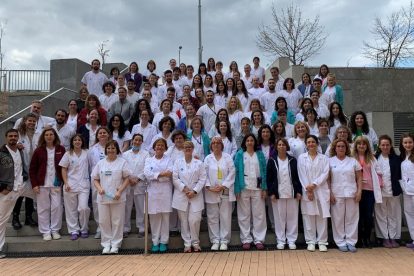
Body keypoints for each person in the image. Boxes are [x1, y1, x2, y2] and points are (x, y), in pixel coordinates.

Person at [0, 129, 37, 259]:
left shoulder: (20, 150)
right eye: (10, 136)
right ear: (6, 137)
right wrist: (2, 188)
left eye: (15, 136)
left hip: (22, 186)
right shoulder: (1, 153)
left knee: (41, 195)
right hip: (8, 190)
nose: (13, 138)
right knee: (1, 221)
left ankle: (49, 229)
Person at [92, 140, 131, 254]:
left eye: (113, 148)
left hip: (117, 197)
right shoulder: (101, 163)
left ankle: (115, 244)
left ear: (117, 150)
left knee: (117, 221)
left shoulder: (122, 162)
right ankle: (106, 244)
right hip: (103, 197)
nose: (110, 150)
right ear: (105, 150)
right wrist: (99, 188)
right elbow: (95, 179)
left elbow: (127, 178)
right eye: (108, 148)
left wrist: (120, 191)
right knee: (104, 221)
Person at [29, 128, 65, 241]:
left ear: (55, 136)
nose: (49, 136)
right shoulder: (38, 150)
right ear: (43, 137)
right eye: (47, 135)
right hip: (42, 184)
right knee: (43, 208)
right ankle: (45, 232)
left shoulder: (61, 149)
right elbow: (32, 168)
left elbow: (65, 166)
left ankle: (55, 230)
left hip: (56, 183)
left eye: (51, 134)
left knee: (57, 207)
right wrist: (34, 184)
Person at [268, 138, 302, 250]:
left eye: (283, 144)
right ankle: (281, 240)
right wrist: (271, 192)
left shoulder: (293, 160)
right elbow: (269, 177)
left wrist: (298, 191)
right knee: (279, 217)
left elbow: (297, 176)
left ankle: (292, 240)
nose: (281, 146)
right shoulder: (272, 160)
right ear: (276, 147)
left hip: (291, 191)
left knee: (292, 216)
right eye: (279, 145)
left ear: (287, 146)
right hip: (278, 192)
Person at [328, 139, 362, 252]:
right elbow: (328, 179)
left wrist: (359, 192)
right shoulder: (330, 161)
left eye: (343, 146)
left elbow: (359, 178)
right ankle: (340, 241)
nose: (341, 148)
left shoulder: (353, 161)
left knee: (352, 217)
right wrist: (330, 193)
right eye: (338, 146)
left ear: (347, 148)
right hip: (336, 193)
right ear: (335, 148)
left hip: (352, 193)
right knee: (338, 218)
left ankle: (351, 241)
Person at [234, 134, 267, 250]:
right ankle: (246, 239)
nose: (249, 142)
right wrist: (237, 189)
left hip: (258, 187)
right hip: (244, 188)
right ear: (244, 142)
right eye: (247, 140)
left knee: (259, 214)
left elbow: (264, 171)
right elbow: (236, 172)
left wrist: (265, 188)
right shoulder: (240, 154)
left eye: (252, 140)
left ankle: (258, 239)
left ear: (255, 142)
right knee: (244, 215)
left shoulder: (260, 154)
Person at [298, 135, 330, 252]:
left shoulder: (324, 158)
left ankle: (322, 241)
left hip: (321, 189)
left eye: (313, 142)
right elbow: (302, 174)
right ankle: (310, 241)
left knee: (322, 216)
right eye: (308, 142)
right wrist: (309, 190)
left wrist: (315, 184)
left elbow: (325, 173)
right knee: (308, 216)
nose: (311, 144)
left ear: (317, 144)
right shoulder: (302, 158)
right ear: (306, 145)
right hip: (307, 190)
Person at [172, 141, 206, 252]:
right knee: (184, 220)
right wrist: (185, 189)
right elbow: (175, 178)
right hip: (182, 194)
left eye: (189, 147)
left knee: (194, 219)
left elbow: (202, 178)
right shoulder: (178, 162)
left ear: (193, 149)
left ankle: (195, 243)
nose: (187, 149)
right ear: (182, 149)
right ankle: (187, 244)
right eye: (185, 147)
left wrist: (194, 191)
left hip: (195, 195)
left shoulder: (199, 163)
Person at [204, 137, 236, 251]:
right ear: (211, 146)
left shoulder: (227, 157)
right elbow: (204, 174)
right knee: (212, 216)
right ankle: (215, 240)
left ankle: (224, 241)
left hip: (225, 190)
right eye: (213, 143)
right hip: (211, 191)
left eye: (218, 143)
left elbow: (232, 172)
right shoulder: (208, 158)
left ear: (222, 145)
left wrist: (223, 185)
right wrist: (209, 187)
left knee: (225, 216)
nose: (216, 145)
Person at [352, 136, 383, 249]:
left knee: (368, 216)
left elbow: (378, 172)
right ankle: (359, 239)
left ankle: (367, 238)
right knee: (357, 216)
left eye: (363, 144)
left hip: (369, 190)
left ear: (367, 146)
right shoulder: (352, 158)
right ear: (356, 146)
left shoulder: (372, 158)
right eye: (359, 144)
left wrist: (380, 184)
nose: (361, 146)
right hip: (357, 190)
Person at [144, 138, 173, 252]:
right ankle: (155, 242)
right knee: (154, 218)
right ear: (154, 147)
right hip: (153, 192)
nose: (160, 147)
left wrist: (155, 176)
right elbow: (147, 174)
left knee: (165, 218)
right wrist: (161, 174)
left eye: (162, 145)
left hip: (165, 191)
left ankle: (164, 242)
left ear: (165, 148)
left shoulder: (169, 160)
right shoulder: (149, 160)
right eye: (158, 145)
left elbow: (169, 174)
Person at [59, 134, 90, 240]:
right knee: (70, 210)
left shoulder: (87, 153)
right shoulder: (68, 154)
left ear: (82, 141)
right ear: (72, 142)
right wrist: (66, 183)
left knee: (83, 208)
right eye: (75, 140)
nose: (77, 141)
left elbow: (92, 165)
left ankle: (84, 229)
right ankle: (74, 230)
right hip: (70, 185)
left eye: (79, 140)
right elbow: (63, 169)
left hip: (84, 185)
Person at [12, 113, 41, 230]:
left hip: (34, 168)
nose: (32, 123)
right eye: (30, 121)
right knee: (19, 194)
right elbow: (9, 146)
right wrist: (16, 145)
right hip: (21, 168)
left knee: (31, 193)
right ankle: (15, 218)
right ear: (24, 121)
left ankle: (29, 217)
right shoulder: (18, 134)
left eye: (34, 121)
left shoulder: (39, 134)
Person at [374, 135, 402, 248]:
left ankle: (394, 237)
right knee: (381, 214)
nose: (385, 147)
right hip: (379, 191)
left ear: (390, 146)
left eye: (387, 145)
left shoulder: (397, 158)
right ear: (379, 146)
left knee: (393, 214)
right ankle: (384, 237)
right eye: (383, 145)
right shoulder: (374, 158)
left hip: (393, 190)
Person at [88, 126, 113, 239]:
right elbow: (89, 166)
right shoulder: (92, 149)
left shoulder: (114, 146)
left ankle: (112, 229)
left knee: (112, 206)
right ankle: (100, 228)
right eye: (100, 133)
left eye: (104, 132)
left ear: (108, 134)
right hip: (97, 181)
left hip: (112, 180)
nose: (102, 134)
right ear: (97, 136)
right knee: (97, 206)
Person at [122, 134, 149, 238]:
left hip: (140, 183)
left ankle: (142, 228)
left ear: (142, 142)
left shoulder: (145, 154)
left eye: (139, 140)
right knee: (127, 207)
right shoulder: (125, 154)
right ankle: (126, 228)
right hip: (128, 183)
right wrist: (129, 179)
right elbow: (124, 168)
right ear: (132, 141)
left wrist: (137, 179)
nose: (137, 142)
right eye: (136, 140)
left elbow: (146, 169)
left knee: (140, 207)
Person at [257, 125, 276, 231]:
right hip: (259, 177)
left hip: (272, 177)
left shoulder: (274, 146)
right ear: (260, 133)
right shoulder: (257, 147)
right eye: (263, 132)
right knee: (259, 204)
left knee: (271, 202)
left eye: (267, 132)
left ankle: (273, 224)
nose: (265, 134)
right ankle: (260, 227)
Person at [398, 133, 414, 250]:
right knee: (409, 214)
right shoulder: (403, 157)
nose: (408, 145)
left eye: (410, 142)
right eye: (405, 143)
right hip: (407, 191)